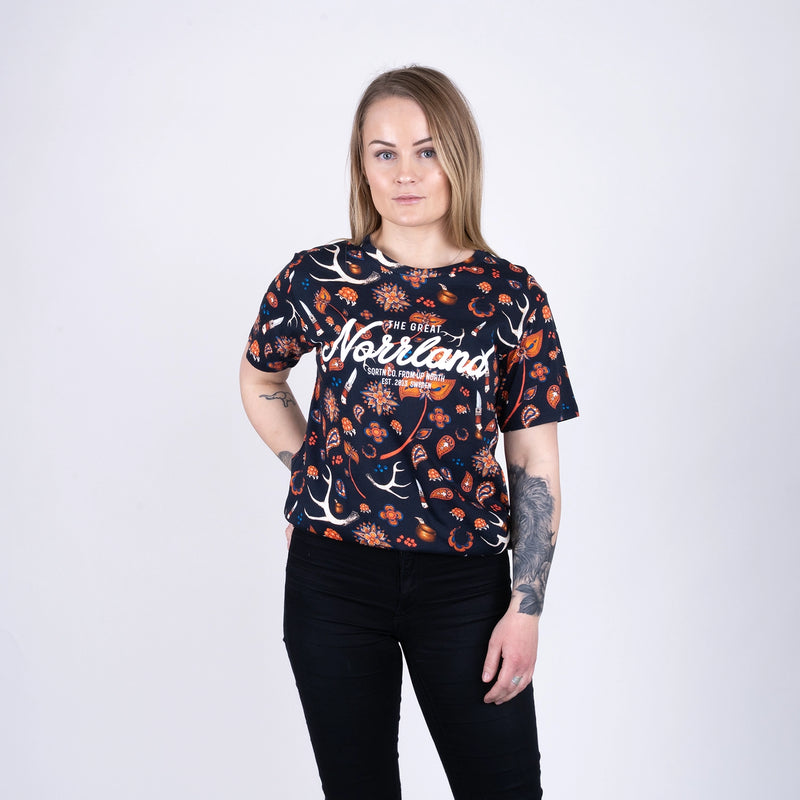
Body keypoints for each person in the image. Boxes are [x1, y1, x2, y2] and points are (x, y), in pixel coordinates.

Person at [239, 66, 578, 800]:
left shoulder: (511, 295)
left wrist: (526, 608)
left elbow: (534, 461)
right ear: (361, 166)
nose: (405, 173)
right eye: (383, 152)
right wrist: (312, 472)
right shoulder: (318, 278)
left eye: (426, 151)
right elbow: (262, 380)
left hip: (463, 583)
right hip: (334, 577)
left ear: (458, 157)